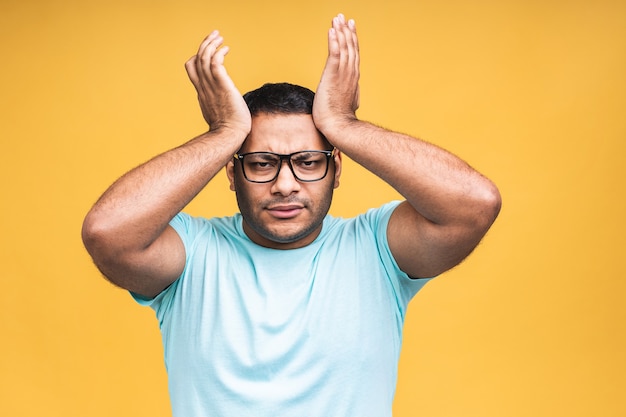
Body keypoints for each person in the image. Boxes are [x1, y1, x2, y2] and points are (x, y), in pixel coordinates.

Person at [82, 13, 501, 417]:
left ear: (336, 169)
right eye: (262, 162)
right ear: (232, 171)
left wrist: (344, 124)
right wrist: (223, 134)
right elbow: (107, 233)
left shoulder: (375, 249)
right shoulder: (192, 254)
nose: (285, 184)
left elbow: (474, 203)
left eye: (307, 160)